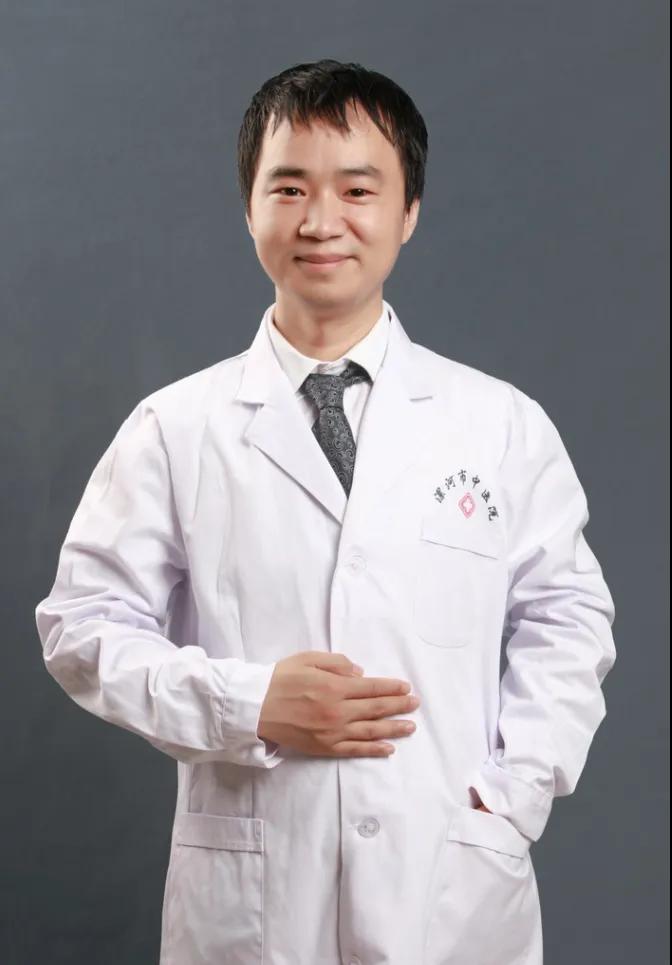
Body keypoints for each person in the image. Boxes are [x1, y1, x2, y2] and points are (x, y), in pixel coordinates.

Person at [34, 58, 617, 965]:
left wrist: (513, 795)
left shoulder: (499, 423)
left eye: (357, 189)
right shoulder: (175, 428)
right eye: (289, 187)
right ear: (249, 207)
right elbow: (81, 626)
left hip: (451, 888)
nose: (320, 220)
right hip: (252, 906)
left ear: (409, 211)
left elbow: (568, 618)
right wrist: (249, 703)